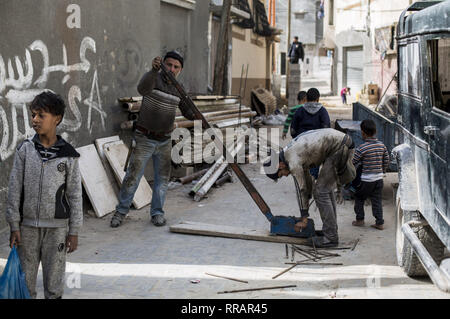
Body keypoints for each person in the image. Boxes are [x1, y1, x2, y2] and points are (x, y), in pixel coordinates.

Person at [6, 91, 82, 299]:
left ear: (57, 118)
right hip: (27, 228)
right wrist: (14, 224)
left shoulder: (68, 155)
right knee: (25, 283)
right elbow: (14, 189)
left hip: (57, 230)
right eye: (33, 115)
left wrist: (73, 231)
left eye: (41, 115)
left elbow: (75, 195)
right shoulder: (25, 150)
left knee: (54, 283)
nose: (35, 120)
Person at [110, 51, 196, 228]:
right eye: (169, 65)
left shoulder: (178, 88)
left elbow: (189, 112)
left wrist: (197, 113)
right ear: (163, 64)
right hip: (144, 138)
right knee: (132, 177)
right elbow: (142, 89)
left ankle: (157, 213)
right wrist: (152, 71)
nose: (171, 69)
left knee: (162, 181)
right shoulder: (153, 79)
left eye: (176, 67)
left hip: (164, 141)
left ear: (180, 70)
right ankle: (121, 212)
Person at [263, 128, 356, 247]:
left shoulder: (292, 161)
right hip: (342, 143)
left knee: (321, 192)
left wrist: (304, 217)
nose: (286, 175)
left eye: (281, 174)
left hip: (339, 147)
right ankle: (331, 230)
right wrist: (308, 196)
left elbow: (301, 188)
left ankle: (331, 237)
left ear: (280, 165)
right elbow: (307, 178)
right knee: (324, 190)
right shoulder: (289, 153)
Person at [351, 119, 389, 230]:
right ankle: (379, 222)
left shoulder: (362, 148)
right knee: (376, 200)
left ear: (362, 133)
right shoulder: (382, 146)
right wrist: (383, 171)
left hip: (366, 180)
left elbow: (353, 162)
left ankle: (360, 219)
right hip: (379, 179)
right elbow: (386, 159)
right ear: (375, 132)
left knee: (359, 197)